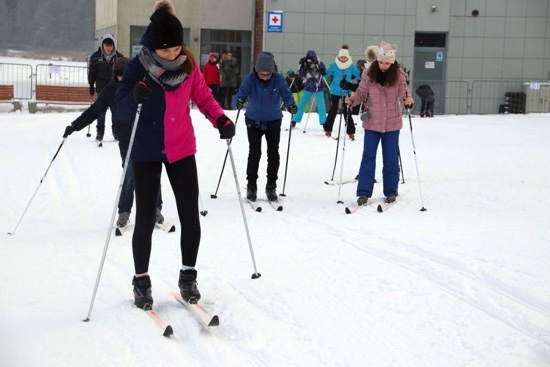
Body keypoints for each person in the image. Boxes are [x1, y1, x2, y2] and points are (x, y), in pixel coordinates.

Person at [113, 0, 236, 309]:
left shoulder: (188, 66)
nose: (172, 55)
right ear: (154, 47)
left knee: (189, 217)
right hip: (147, 151)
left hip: (181, 149)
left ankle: (188, 275)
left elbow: (204, 97)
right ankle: (141, 280)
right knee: (144, 218)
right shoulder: (138, 68)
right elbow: (120, 107)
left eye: (176, 48)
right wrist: (132, 96)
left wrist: (220, 119)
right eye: (165, 50)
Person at [63, 57, 165, 228]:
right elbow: (95, 111)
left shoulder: (142, 85)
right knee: (130, 173)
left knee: (152, 172)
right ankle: (124, 211)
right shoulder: (111, 91)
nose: (123, 80)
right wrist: (75, 126)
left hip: (146, 135)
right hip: (126, 138)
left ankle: (155, 208)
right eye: (119, 77)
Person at [345, 41, 414, 206]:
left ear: (392, 63)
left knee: (390, 159)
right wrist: (352, 100)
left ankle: (391, 191)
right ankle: (363, 192)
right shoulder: (369, 74)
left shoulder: (398, 76)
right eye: (381, 62)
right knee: (368, 157)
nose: (383, 66)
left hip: (392, 124)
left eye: (387, 63)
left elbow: (405, 93)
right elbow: (361, 92)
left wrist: (408, 101)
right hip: (372, 123)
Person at [234, 52, 297, 202]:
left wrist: (291, 105)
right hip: (253, 121)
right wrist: (238, 102)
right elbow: (240, 95)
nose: (265, 77)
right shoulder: (250, 79)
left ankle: (271, 186)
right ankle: (251, 186)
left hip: (273, 121)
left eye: (268, 74)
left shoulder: (279, 80)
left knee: (273, 154)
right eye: (262, 74)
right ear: (257, 71)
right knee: (254, 154)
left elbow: (287, 96)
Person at [88, 34, 124, 142]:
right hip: (101, 89)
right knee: (101, 112)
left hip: (115, 89)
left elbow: (124, 73)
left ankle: (116, 131)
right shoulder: (95, 57)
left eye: (111, 45)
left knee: (115, 111)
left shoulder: (119, 57)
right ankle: (100, 131)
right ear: (103, 45)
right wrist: (91, 85)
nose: (108, 48)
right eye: (106, 45)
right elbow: (92, 73)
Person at [323, 44, 362, 139]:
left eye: (345, 57)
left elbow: (359, 76)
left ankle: (351, 131)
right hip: (335, 91)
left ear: (348, 57)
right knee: (333, 110)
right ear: (338, 57)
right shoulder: (334, 65)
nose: (343, 59)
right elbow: (326, 75)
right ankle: (328, 129)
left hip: (346, 91)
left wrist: (364, 74)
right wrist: (322, 71)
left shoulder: (351, 67)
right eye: (341, 57)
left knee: (347, 111)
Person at [292, 50, 328, 129]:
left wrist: (322, 70)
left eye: (311, 59)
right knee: (301, 104)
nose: (310, 61)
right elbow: (301, 74)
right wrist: (301, 65)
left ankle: (324, 122)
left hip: (319, 87)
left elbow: (324, 73)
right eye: (308, 59)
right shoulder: (305, 65)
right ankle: (294, 120)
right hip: (308, 87)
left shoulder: (320, 64)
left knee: (321, 106)